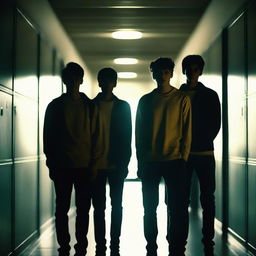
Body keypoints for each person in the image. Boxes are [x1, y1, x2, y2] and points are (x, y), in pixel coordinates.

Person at [135, 57, 192, 256]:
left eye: (165, 71)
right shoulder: (146, 100)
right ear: (153, 74)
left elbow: (187, 130)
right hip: (151, 161)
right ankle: (151, 245)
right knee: (149, 208)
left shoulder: (181, 98)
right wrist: (141, 161)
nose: (162, 75)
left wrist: (184, 157)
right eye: (158, 72)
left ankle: (176, 246)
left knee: (175, 208)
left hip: (175, 160)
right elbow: (139, 133)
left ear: (171, 73)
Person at [43, 62, 94, 256]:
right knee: (62, 208)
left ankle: (81, 246)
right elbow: (48, 136)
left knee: (83, 209)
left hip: (84, 165)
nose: (73, 81)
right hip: (62, 165)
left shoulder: (90, 105)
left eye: (76, 78)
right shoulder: (55, 106)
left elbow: (95, 134)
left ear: (81, 80)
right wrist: (51, 162)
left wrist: (93, 162)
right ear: (64, 80)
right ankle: (64, 246)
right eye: (69, 78)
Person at [180, 55, 221, 256]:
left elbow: (216, 124)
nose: (192, 72)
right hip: (184, 155)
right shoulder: (177, 95)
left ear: (200, 71)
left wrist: (201, 140)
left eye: (195, 69)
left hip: (205, 152)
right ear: (184, 71)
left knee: (208, 198)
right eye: (189, 69)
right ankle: (180, 238)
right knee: (181, 199)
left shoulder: (211, 95)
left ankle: (208, 238)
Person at [91, 67, 132, 256]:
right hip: (95, 165)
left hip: (116, 164)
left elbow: (127, 137)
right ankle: (101, 245)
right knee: (99, 208)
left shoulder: (123, 107)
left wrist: (125, 164)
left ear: (115, 83)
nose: (107, 84)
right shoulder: (91, 106)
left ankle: (115, 243)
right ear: (99, 82)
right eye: (104, 80)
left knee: (117, 205)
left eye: (110, 80)